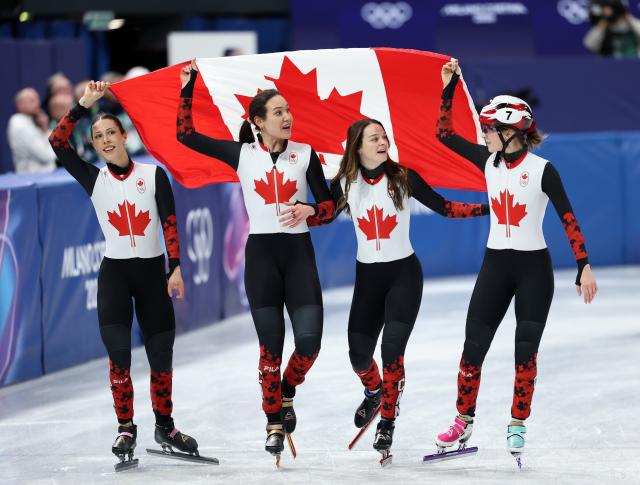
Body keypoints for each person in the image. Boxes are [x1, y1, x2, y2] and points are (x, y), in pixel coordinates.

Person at [433, 60, 598, 463]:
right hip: (495, 266)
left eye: (489, 129)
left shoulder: (543, 170)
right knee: (473, 346)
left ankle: (517, 423)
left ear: (510, 133)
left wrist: (584, 264)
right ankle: (462, 420)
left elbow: (567, 217)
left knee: (525, 351)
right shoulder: (486, 161)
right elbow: (443, 134)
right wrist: (449, 87)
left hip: (532, 271)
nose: (485, 134)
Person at [177, 61, 335, 457]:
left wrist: (310, 211)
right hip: (262, 258)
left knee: (310, 344)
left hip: (299, 255)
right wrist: (188, 87)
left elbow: (332, 205)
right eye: (278, 112)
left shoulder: (305, 153)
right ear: (258, 121)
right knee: (270, 349)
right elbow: (186, 135)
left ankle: (286, 390)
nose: (288, 117)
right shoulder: (241, 153)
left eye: (288, 110)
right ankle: (274, 422)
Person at [307, 118, 489, 458]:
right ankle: (375, 392)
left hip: (404, 277)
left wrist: (489, 208)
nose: (382, 141)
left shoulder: (403, 177)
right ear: (357, 147)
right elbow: (325, 215)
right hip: (368, 280)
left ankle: (387, 423)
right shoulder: (346, 182)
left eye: (384, 136)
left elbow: (445, 207)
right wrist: (300, 212)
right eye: (373, 138)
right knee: (358, 355)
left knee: (392, 352)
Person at [48, 81, 199, 466]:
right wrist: (83, 105)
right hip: (114, 276)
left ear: (124, 135)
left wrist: (175, 267)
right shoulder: (93, 179)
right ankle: (126, 427)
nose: (104, 140)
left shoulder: (153, 176)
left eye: (110, 132)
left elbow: (168, 222)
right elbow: (58, 142)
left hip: (152, 276)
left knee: (160, 355)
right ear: (94, 145)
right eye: (97, 137)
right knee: (119, 358)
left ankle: (165, 425)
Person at [7, 87, 56, 173]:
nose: (38, 103)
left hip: (41, 177)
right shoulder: (20, 124)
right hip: (33, 179)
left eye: (37, 99)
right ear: (19, 104)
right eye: (32, 100)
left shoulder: (30, 121)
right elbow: (46, 156)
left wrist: (45, 129)